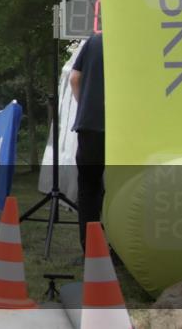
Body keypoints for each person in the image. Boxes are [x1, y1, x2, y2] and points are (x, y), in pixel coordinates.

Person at [70, 32, 104, 252]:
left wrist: (85, 105)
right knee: (122, 189)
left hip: (90, 125)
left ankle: (89, 248)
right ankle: (119, 247)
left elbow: (74, 78)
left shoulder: (94, 41)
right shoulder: (137, 39)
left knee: (89, 188)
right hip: (124, 128)